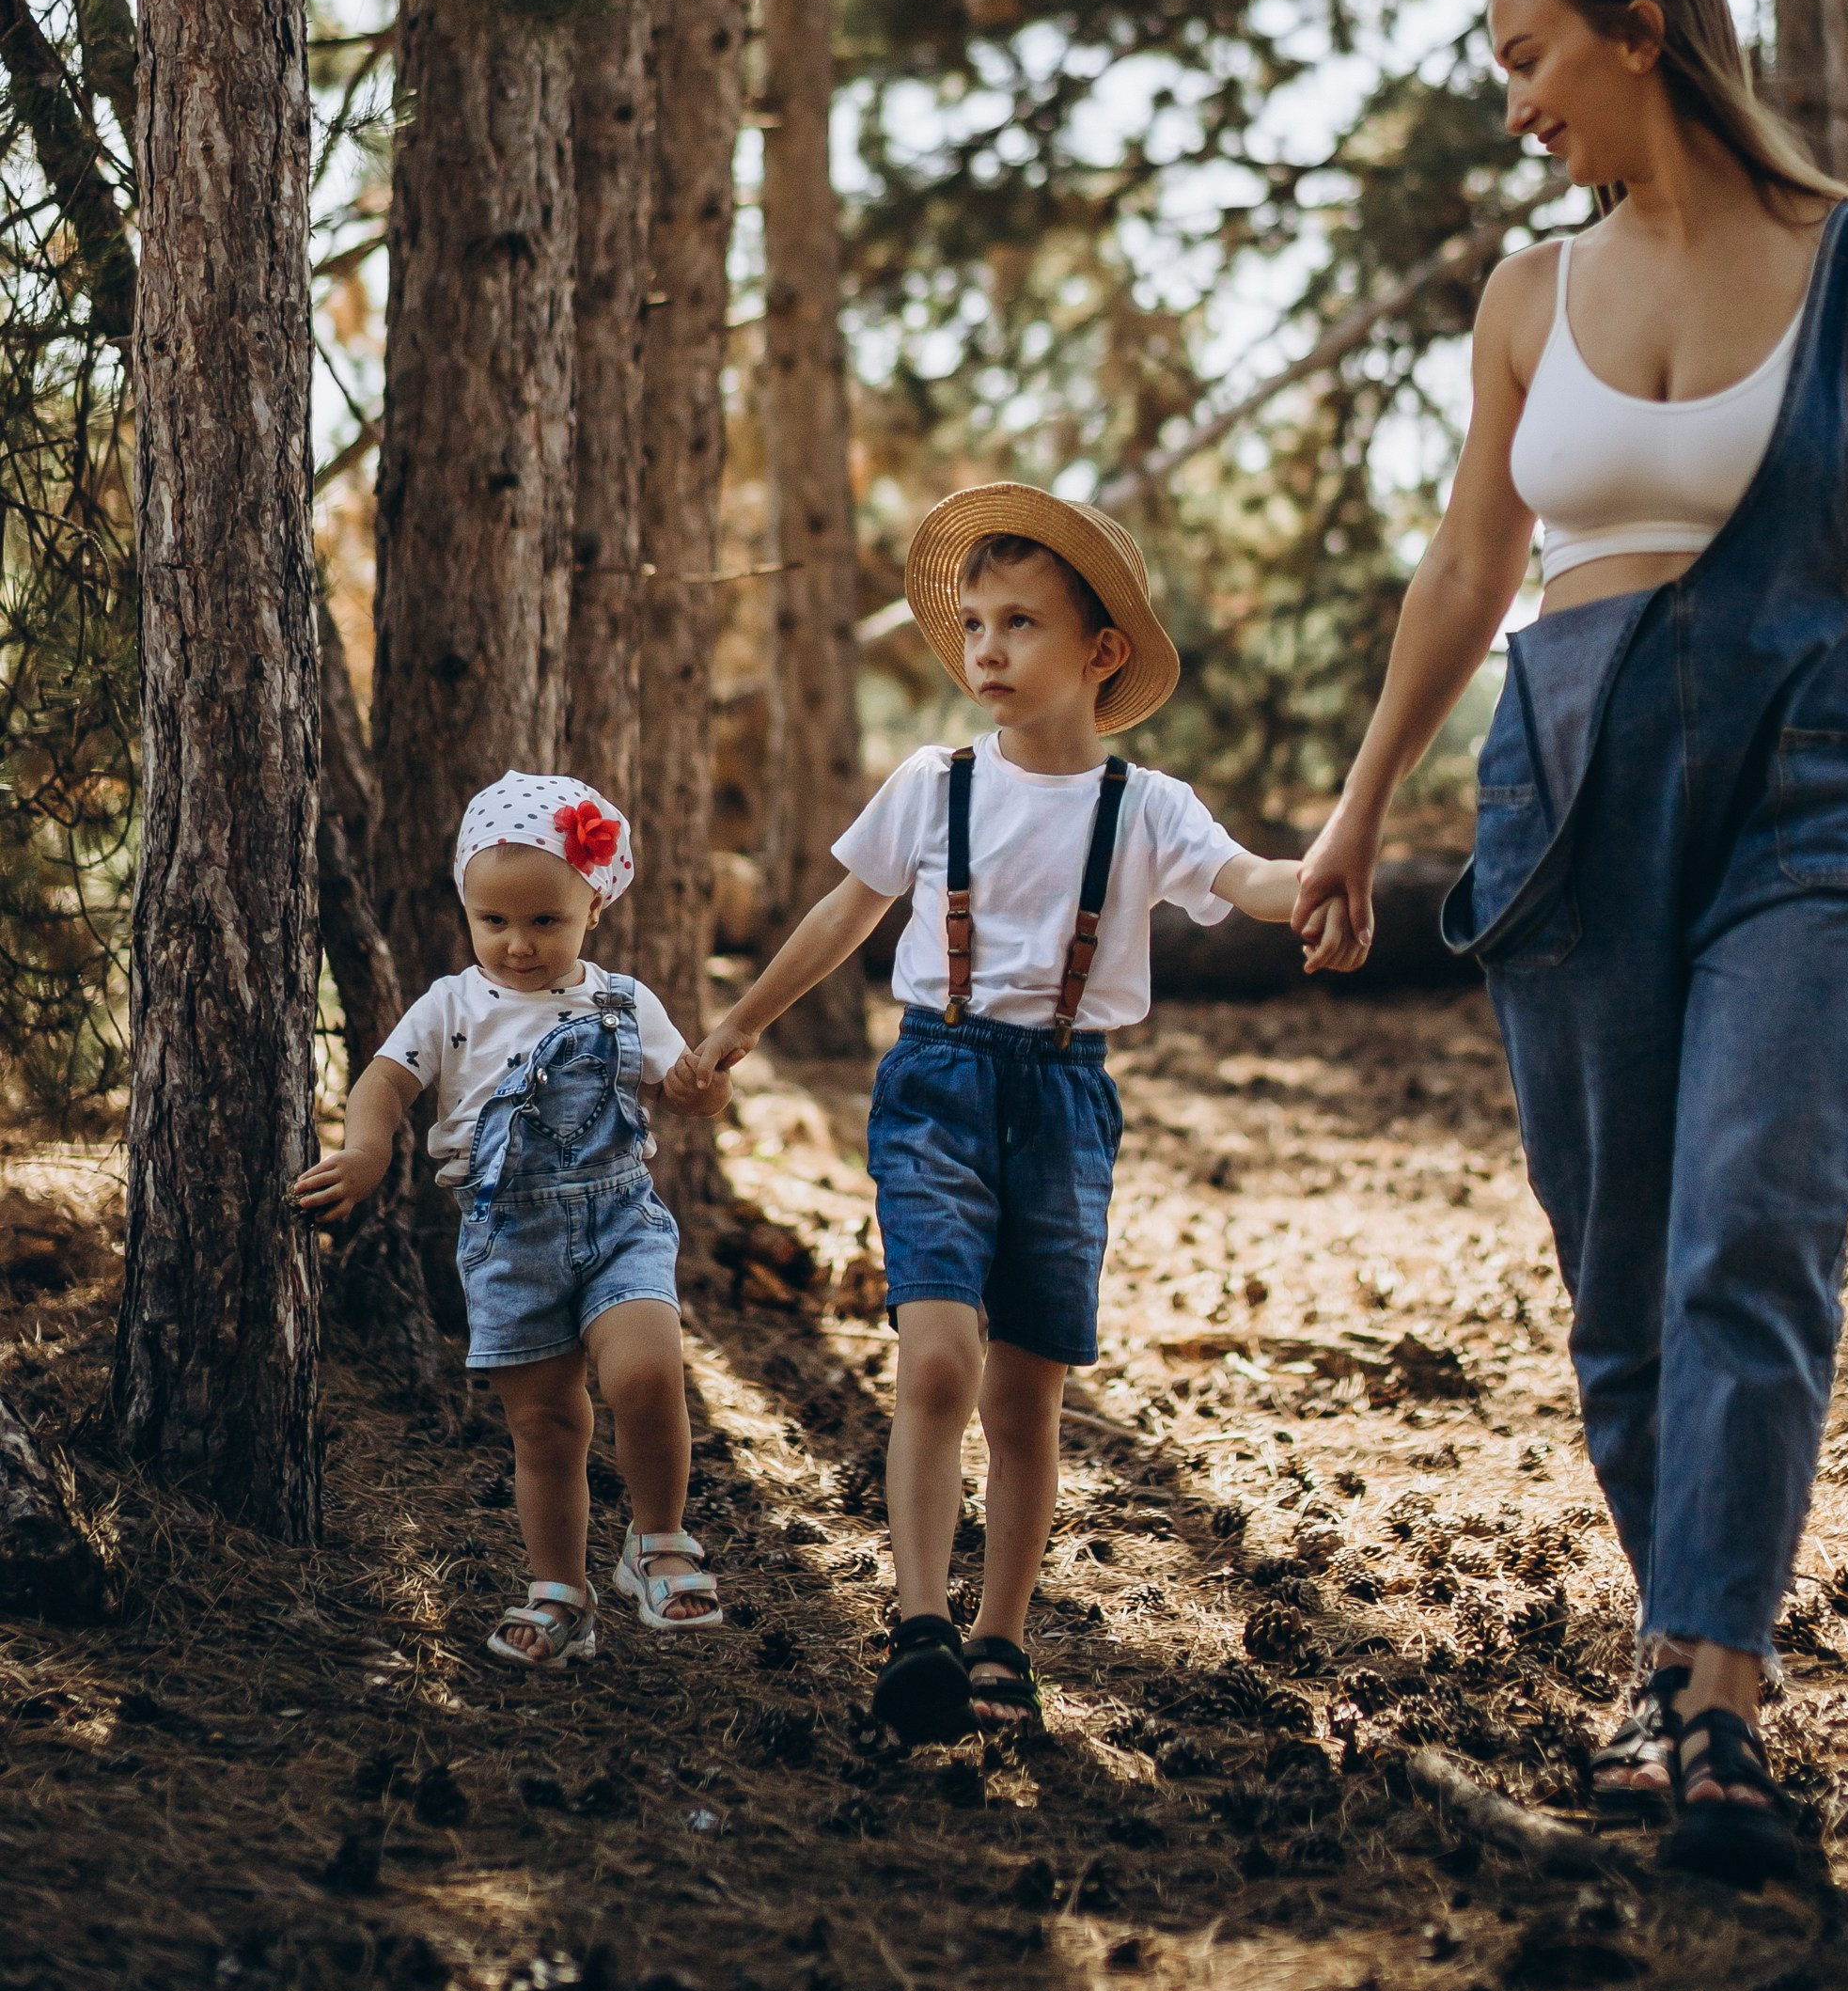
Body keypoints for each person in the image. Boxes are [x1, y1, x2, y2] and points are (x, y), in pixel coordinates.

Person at [1293, 0, 1848, 1887]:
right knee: (1620, 1277)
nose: (1512, 105)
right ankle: (1672, 1651)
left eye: (1526, 59)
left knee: (1756, 1224)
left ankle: (1721, 1706)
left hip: (1805, 797)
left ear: (1641, 29)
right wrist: (1357, 811)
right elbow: (1468, 570)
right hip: (1568, 799)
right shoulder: (1528, 298)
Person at [689, 486, 1306, 1744]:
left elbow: (1247, 879)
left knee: (1026, 1401)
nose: (986, 650)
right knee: (936, 1361)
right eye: (973, 625)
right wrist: (740, 1023)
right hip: (937, 1084)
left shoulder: (1148, 806)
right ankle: (918, 1625)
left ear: (1102, 650)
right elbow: (844, 912)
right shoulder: (937, 785)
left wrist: (1323, 883)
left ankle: (1001, 1641)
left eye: (1020, 623)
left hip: (1067, 1103)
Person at [294, 772, 733, 1669]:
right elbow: (385, 1080)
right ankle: (558, 1592)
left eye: (544, 921)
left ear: (593, 908)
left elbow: (682, 1088)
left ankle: (657, 1543)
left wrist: (702, 1089)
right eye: (493, 920)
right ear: (466, 907)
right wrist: (369, 1151)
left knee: (648, 1374)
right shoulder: (451, 1004)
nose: (518, 944)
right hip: (506, 1238)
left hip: (619, 1219)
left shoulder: (624, 1000)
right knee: (546, 1426)